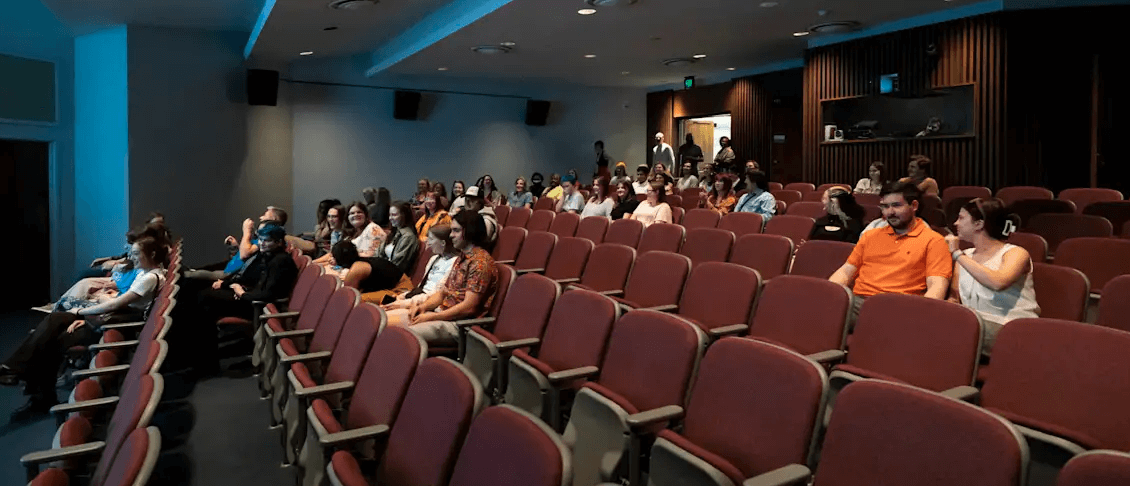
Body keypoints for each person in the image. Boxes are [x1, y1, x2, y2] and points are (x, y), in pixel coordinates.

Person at [1, 236, 168, 419]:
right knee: (53, 322)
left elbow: (116, 304)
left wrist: (82, 313)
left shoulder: (149, 278)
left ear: (152, 254)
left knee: (51, 339)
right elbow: (119, 300)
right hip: (108, 318)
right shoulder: (145, 273)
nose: (131, 257)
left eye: (136, 253)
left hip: (115, 325)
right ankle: (20, 375)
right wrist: (89, 312)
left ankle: (29, 385)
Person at [828, 181, 952, 321]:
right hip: (860, 303)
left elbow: (936, 287)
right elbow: (846, 271)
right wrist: (829, 293)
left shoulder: (934, 241)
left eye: (896, 205)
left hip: (900, 307)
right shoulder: (870, 236)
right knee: (817, 299)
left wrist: (919, 316)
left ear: (914, 206)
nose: (890, 212)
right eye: (885, 206)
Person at [195, 223, 298, 375]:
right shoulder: (268, 256)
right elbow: (252, 279)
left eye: (267, 240)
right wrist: (233, 286)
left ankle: (206, 363)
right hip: (252, 298)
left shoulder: (280, 261)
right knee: (204, 301)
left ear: (278, 242)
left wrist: (242, 293)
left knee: (204, 299)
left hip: (259, 306)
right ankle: (205, 361)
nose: (262, 243)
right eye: (260, 239)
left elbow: (268, 294)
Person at [946, 198, 1038, 352]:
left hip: (1012, 329)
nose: (956, 223)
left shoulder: (1015, 253)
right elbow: (955, 299)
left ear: (979, 224)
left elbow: (997, 282)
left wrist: (956, 253)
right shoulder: (965, 256)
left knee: (953, 331)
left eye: (961, 218)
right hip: (975, 326)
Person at [396, 211, 499, 347]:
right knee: (387, 324)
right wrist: (422, 307)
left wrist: (432, 317)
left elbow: (469, 307)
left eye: (456, 231)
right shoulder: (462, 258)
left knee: (402, 335)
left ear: (470, 232)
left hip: (459, 325)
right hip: (442, 314)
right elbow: (443, 293)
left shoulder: (480, 263)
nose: (451, 235)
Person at [383, 224, 459, 309]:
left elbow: (437, 293)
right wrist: (403, 296)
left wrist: (406, 303)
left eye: (431, 239)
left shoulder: (454, 262)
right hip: (419, 297)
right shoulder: (434, 259)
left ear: (443, 243)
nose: (428, 242)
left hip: (430, 303)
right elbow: (421, 287)